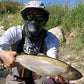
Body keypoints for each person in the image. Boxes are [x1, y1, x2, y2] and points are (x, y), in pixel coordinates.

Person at [0, 1, 69, 84]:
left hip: (39, 78)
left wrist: (61, 69)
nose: (34, 19)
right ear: (25, 18)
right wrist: (2, 54)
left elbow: (52, 59)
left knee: (52, 81)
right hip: (15, 79)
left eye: (39, 16)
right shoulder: (14, 32)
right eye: (29, 16)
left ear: (45, 20)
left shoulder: (51, 39)